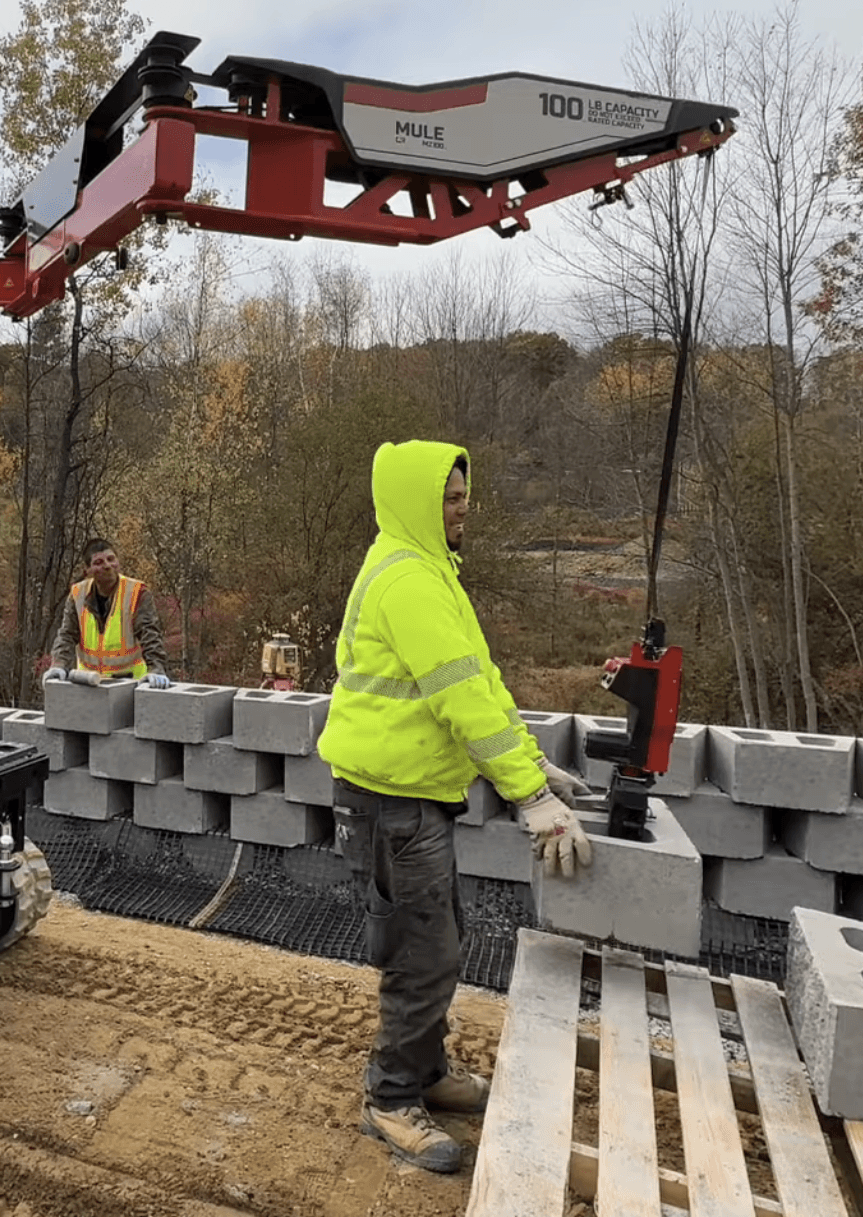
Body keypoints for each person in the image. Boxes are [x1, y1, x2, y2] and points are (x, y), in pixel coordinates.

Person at [317, 439, 594, 1174]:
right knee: (422, 953)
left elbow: (481, 679)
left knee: (440, 938)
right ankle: (391, 1095)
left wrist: (532, 760)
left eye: (466, 495)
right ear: (416, 502)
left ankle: (428, 1071)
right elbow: (461, 699)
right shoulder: (408, 581)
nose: (463, 507)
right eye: (449, 496)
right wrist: (529, 798)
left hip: (416, 797)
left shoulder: (430, 572)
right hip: (389, 802)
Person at [44, 538, 173, 689]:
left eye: (111, 559)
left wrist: (156, 669)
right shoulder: (77, 595)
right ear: (87, 570)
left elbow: (150, 634)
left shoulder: (137, 593)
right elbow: (66, 635)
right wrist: (58, 665)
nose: (107, 566)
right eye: (98, 562)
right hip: (90, 686)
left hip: (129, 685)